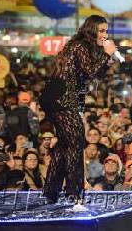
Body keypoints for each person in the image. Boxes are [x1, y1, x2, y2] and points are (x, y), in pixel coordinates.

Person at [39, 15, 117, 203]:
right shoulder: (80, 46)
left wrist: (107, 61)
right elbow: (90, 72)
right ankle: (74, 193)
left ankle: (51, 191)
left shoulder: (80, 46)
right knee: (76, 143)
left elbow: (91, 73)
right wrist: (107, 53)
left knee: (64, 145)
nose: (105, 34)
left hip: (59, 98)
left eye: (106, 31)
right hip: (61, 98)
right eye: (101, 31)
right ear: (91, 30)